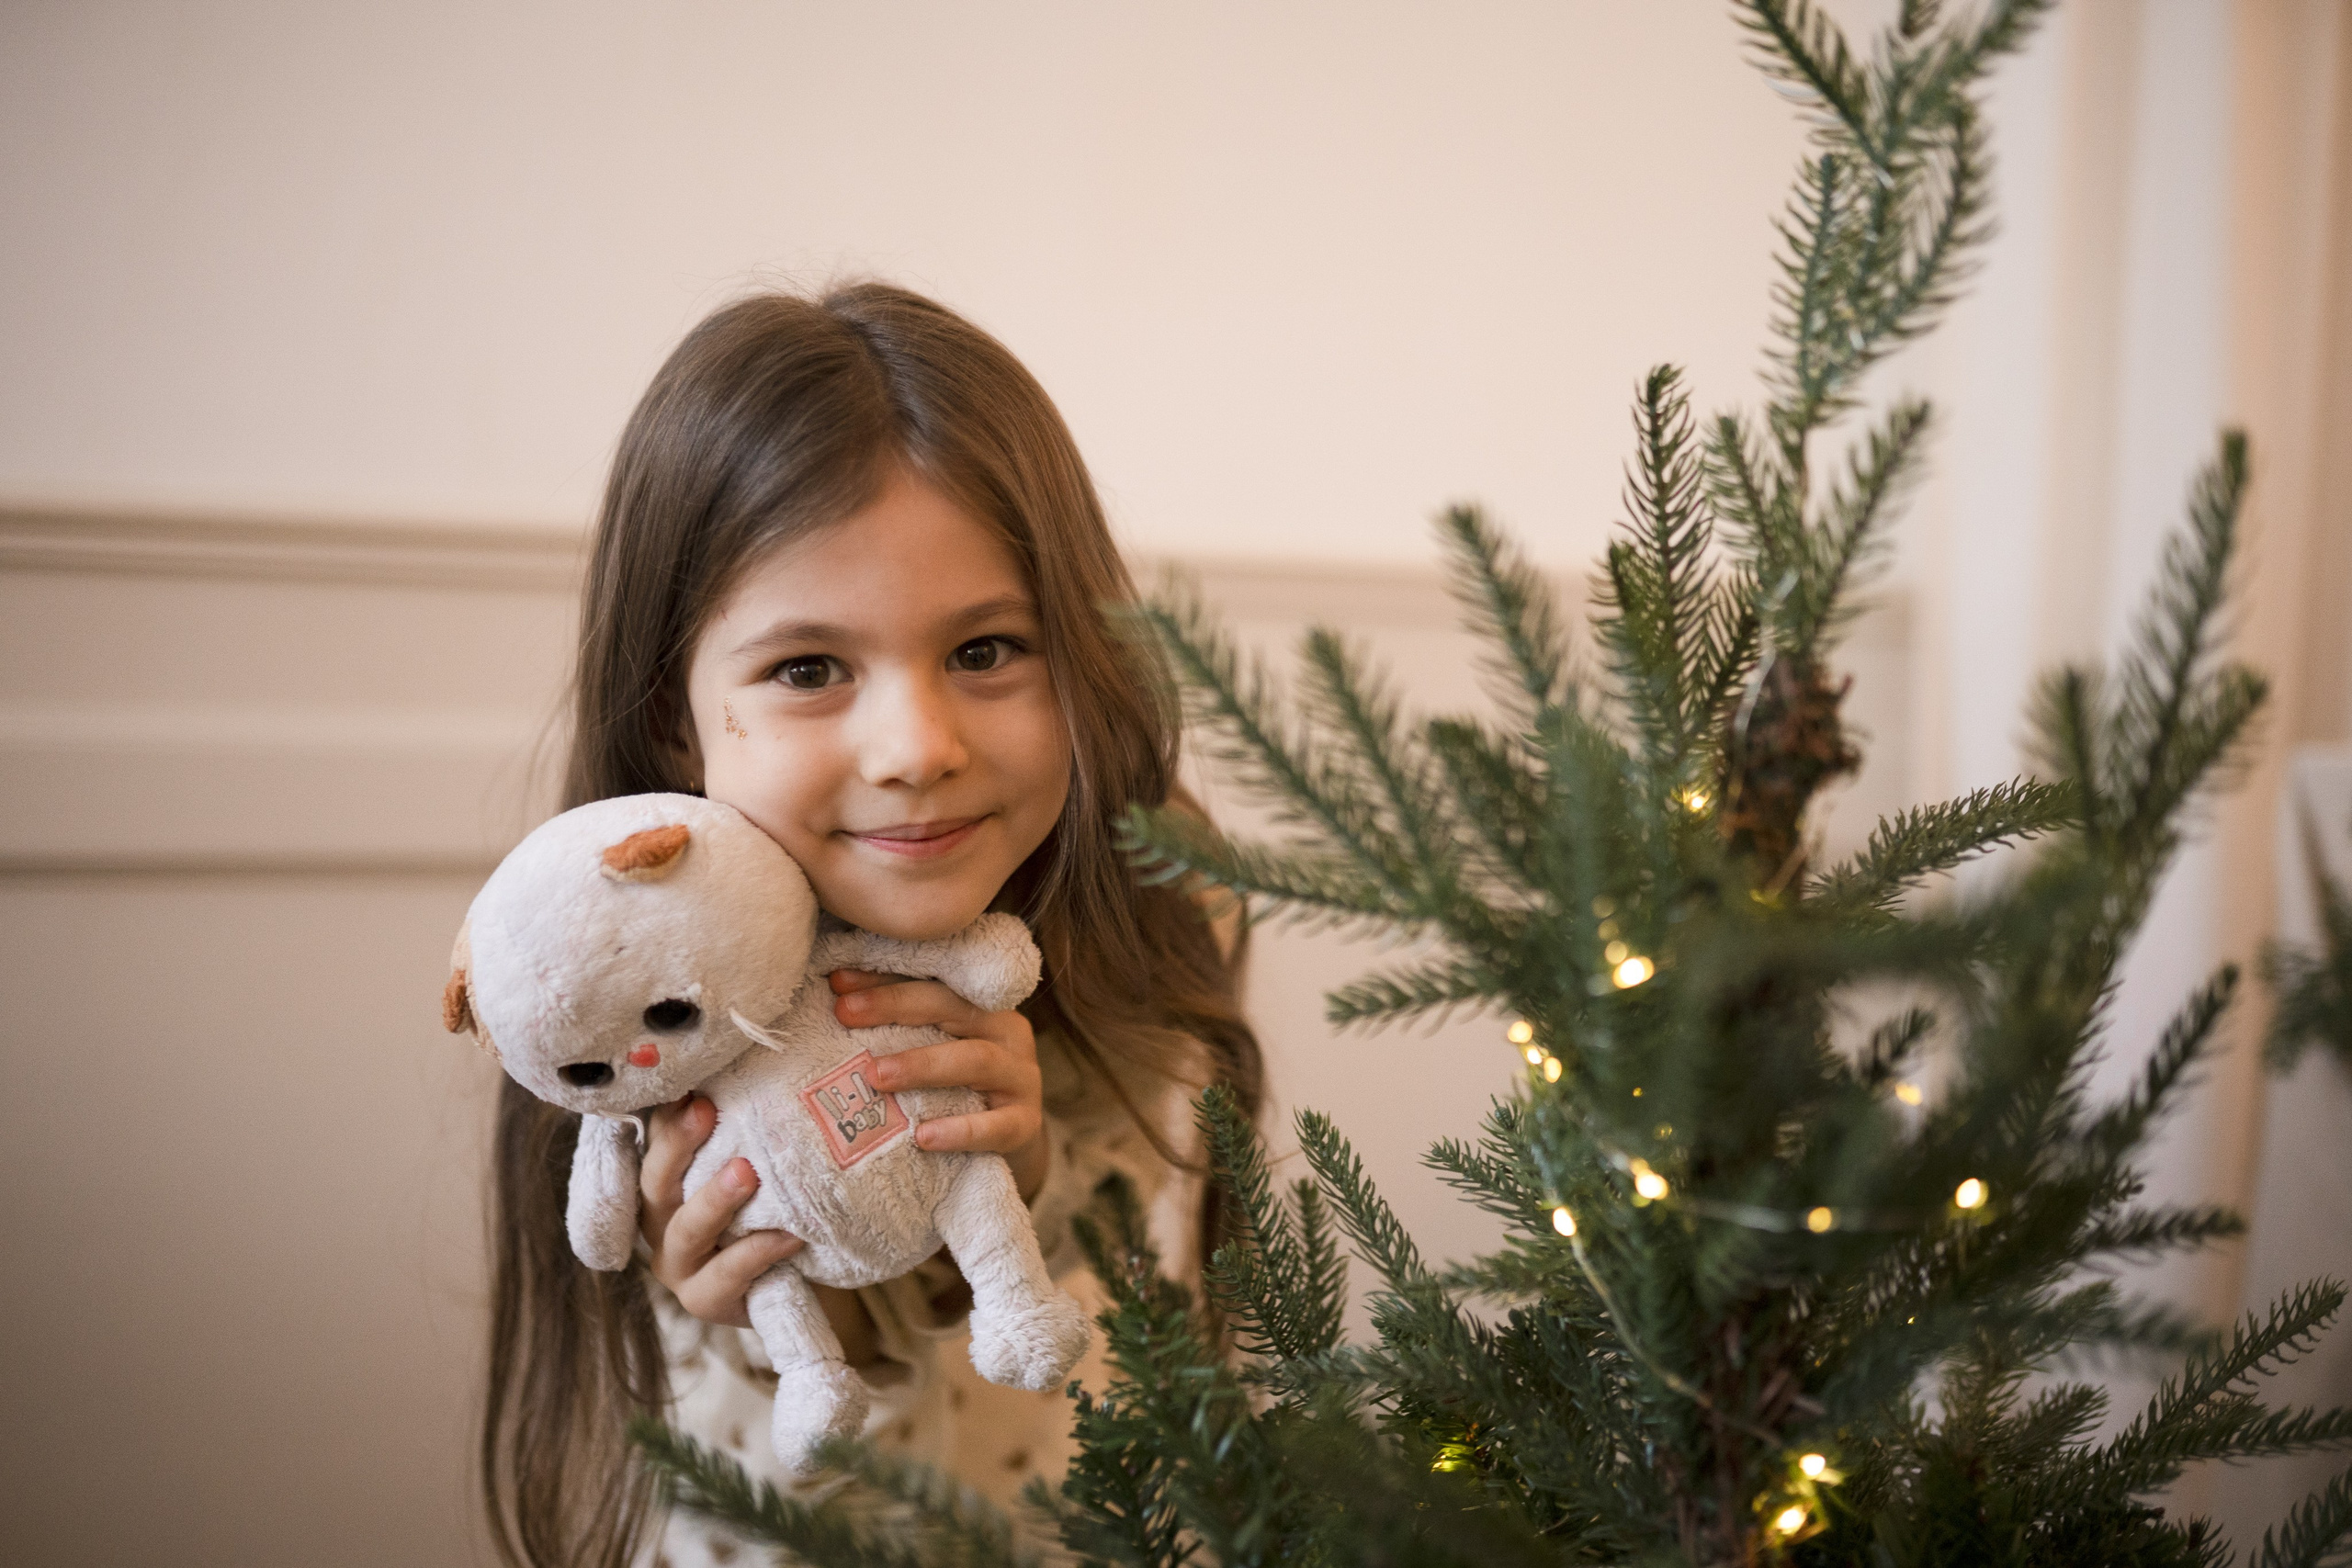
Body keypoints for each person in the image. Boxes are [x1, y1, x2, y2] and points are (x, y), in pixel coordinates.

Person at [479, 284, 1262, 1568]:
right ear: (675, 719)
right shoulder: (617, 991)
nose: (916, 749)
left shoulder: (1157, 900)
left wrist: (1030, 1181)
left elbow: (1150, 1314)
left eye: (988, 649)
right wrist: (769, 1316)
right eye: (808, 670)